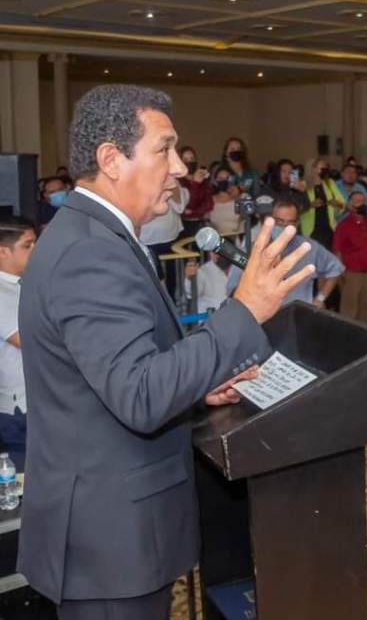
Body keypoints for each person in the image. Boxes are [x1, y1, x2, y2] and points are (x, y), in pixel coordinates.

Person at [18, 84, 314, 619]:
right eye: (165, 149)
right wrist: (245, 309)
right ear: (111, 159)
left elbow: (121, 375)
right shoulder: (90, 252)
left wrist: (200, 388)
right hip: (108, 540)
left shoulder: (97, 235)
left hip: (110, 530)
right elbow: (139, 395)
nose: (179, 168)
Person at [229, 199, 342, 308]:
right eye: (279, 222)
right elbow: (232, 289)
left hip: (298, 315)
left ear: (297, 223)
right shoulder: (253, 250)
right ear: (268, 221)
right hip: (261, 316)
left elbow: (336, 268)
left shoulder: (308, 247)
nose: (285, 228)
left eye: (290, 223)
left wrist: (320, 299)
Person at [0, 217, 36, 470]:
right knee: (27, 478)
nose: (35, 250)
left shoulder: (24, 284)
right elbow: (31, 341)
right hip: (19, 405)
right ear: (3, 251)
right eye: (27, 245)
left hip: (35, 398)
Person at [139, 162, 189, 301]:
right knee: (151, 286)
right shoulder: (138, 179)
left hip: (172, 240)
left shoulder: (170, 180)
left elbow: (180, 207)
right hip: (147, 242)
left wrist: (171, 181)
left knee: (173, 283)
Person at [332, 192, 367, 322]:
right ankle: (347, 332)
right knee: (350, 306)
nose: (361, 204)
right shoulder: (344, 225)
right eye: (357, 201)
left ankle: (363, 331)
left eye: (362, 201)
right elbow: (337, 249)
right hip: (352, 271)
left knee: (366, 306)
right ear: (350, 204)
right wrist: (341, 270)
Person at [301, 158, 346, 251]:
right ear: (313, 168)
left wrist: (336, 203)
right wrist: (311, 205)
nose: (325, 169)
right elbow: (298, 207)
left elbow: (342, 203)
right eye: (322, 167)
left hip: (329, 228)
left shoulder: (330, 183)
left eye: (326, 167)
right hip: (310, 229)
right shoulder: (303, 185)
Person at [178, 146, 212, 236]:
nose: (190, 162)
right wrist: (196, 184)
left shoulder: (203, 180)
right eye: (185, 160)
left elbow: (209, 204)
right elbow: (188, 204)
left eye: (192, 159)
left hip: (201, 223)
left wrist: (193, 212)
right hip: (184, 226)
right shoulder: (178, 182)